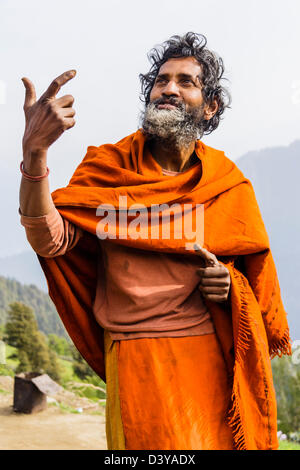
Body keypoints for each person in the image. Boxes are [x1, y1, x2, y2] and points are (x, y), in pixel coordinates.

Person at [19, 32, 291, 450]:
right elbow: (48, 240)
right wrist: (35, 152)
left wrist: (227, 284)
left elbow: (252, 283)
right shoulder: (107, 168)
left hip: (208, 362)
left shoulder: (227, 183)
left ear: (211, 105)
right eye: (161, 80)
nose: (168, 88)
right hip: (136, 359)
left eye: (186, 81)